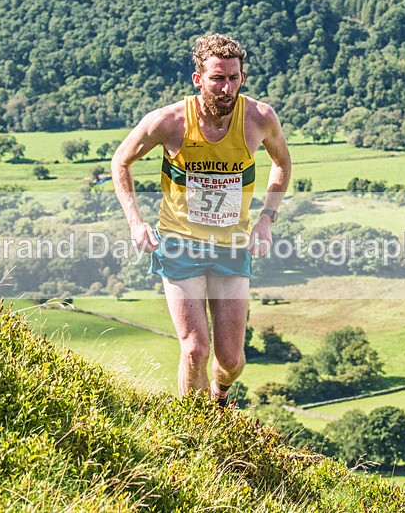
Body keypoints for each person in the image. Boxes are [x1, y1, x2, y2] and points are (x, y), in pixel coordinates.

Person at [111, 33, 291, 407]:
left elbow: (282, 163)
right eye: (217, 78)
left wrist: (266, 219)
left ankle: (219, 395)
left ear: (243, 78)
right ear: (198, 79)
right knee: (195, 349)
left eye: (234, 78)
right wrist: (135, 221)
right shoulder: (169, 121)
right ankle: (194, 427)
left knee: (231, 360)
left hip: (231, 246)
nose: (227, 88)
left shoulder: (259, 118)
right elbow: (121, 161)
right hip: (179, 243)